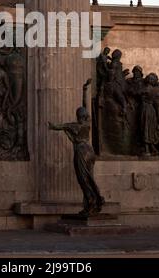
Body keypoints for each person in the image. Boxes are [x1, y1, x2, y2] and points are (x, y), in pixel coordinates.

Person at [48, 79, 104, 216]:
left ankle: (92, 200)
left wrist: (49, 124)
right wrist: (85, 90)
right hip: (90, 151)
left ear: (78, 116)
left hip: (81, 152)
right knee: (90, 177)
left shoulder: (73, 126)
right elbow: (85, 105)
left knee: (83, 179)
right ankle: (91, 205)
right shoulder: (87, 123)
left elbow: (56, 127)